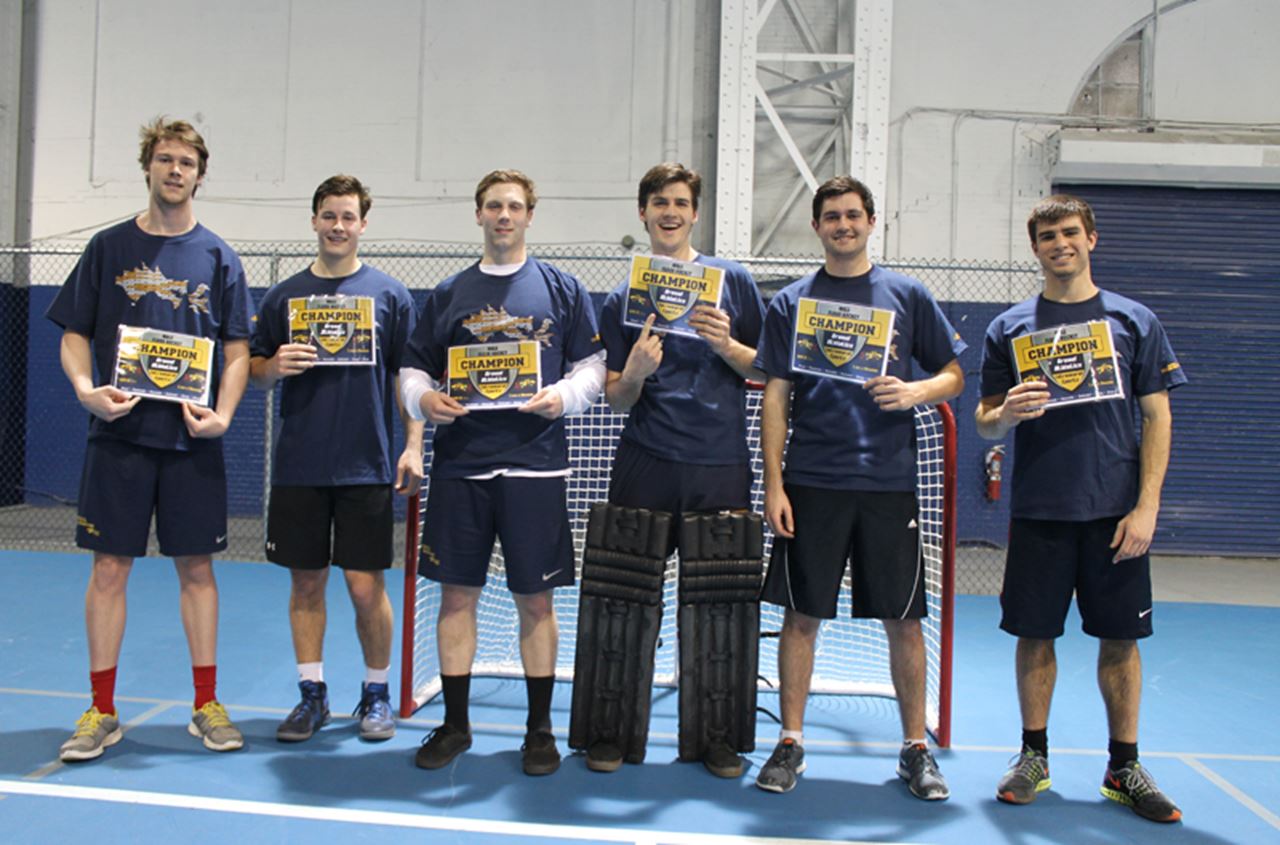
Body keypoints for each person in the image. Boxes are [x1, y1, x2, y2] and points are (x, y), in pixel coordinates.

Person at [47, 117, 253, 761]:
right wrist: (86, 389)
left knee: (197, 568)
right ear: (148, 167)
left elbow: (238, 350)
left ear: (200, 174)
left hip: (193, 442)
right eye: (165, 159)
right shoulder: (108, 248)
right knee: (109, 569)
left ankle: (206, 704)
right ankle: (101, 709)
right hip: (120, 438)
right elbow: (74, 332)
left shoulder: (219, 257)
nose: (175, 170)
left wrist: (224, 414)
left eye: (186, 162)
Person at [976, 194, 1187, 823]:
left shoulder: (1134, 321)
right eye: (1047, 236)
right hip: (1040, 510)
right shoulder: (1009, 328)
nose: (1059, 244)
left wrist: (1147, 506)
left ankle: (1124, 766)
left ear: (1091, 238)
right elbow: (984, 421)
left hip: (1115, 513)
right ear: (1034, 248)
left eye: (1070, 232)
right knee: (1034, 634)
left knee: (1120, 639)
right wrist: (1006, 413)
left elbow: (1157, 416)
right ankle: (1033, 757)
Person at [753, 176, 965, 798]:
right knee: (801, 616)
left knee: (904, 620)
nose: (843, 225)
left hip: (888, 483)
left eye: (852, 215)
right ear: (816, 226)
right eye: (831, 217)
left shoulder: (907, 295)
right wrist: (774, 483)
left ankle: (915, 748)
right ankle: (791, 741)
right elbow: (776, 395)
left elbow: (954, 373)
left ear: (872, 222)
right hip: (812, 480)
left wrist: (918, 390)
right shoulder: (791, 302)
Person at [399, 169, 605, 776]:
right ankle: (455, 724)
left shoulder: (562, 288)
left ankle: (539, 730)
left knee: (535, 600)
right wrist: (423, 400)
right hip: (461, 468)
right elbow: (412, 370)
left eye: (514, 206)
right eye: (494, 206)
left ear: (529, 215)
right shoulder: (449, 293)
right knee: (456, 596)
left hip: (535, 468)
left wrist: (562, 397)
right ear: (479, 215)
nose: (504, 215)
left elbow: (593, 366)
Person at [569, 162, 766, 777]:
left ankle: (717, 739)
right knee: (623, 604)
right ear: (643, 213)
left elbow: (765, 369)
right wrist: (634, 374)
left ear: (695, 213)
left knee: (719, 610)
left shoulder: (733, 283)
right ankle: (608, 733)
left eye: (681, 202)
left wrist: (726, 345)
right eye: (659, 202)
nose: (671, 212)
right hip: (645, 461)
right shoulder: (621, 297)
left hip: (720, 463)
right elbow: (615, 397)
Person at [249, 175, 422, 743]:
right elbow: (252, 369)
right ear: (314, 221)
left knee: (366, 588)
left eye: (348, 217)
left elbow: (408, 379)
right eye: (329, 215)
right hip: (300, 467)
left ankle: (376, 694)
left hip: (365, 466)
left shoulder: (390, 296)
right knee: (306, 585)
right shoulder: (283, 297)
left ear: (363, 224)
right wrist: (272, 367)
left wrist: (413, 444)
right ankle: (312, 695)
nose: (338, 226)